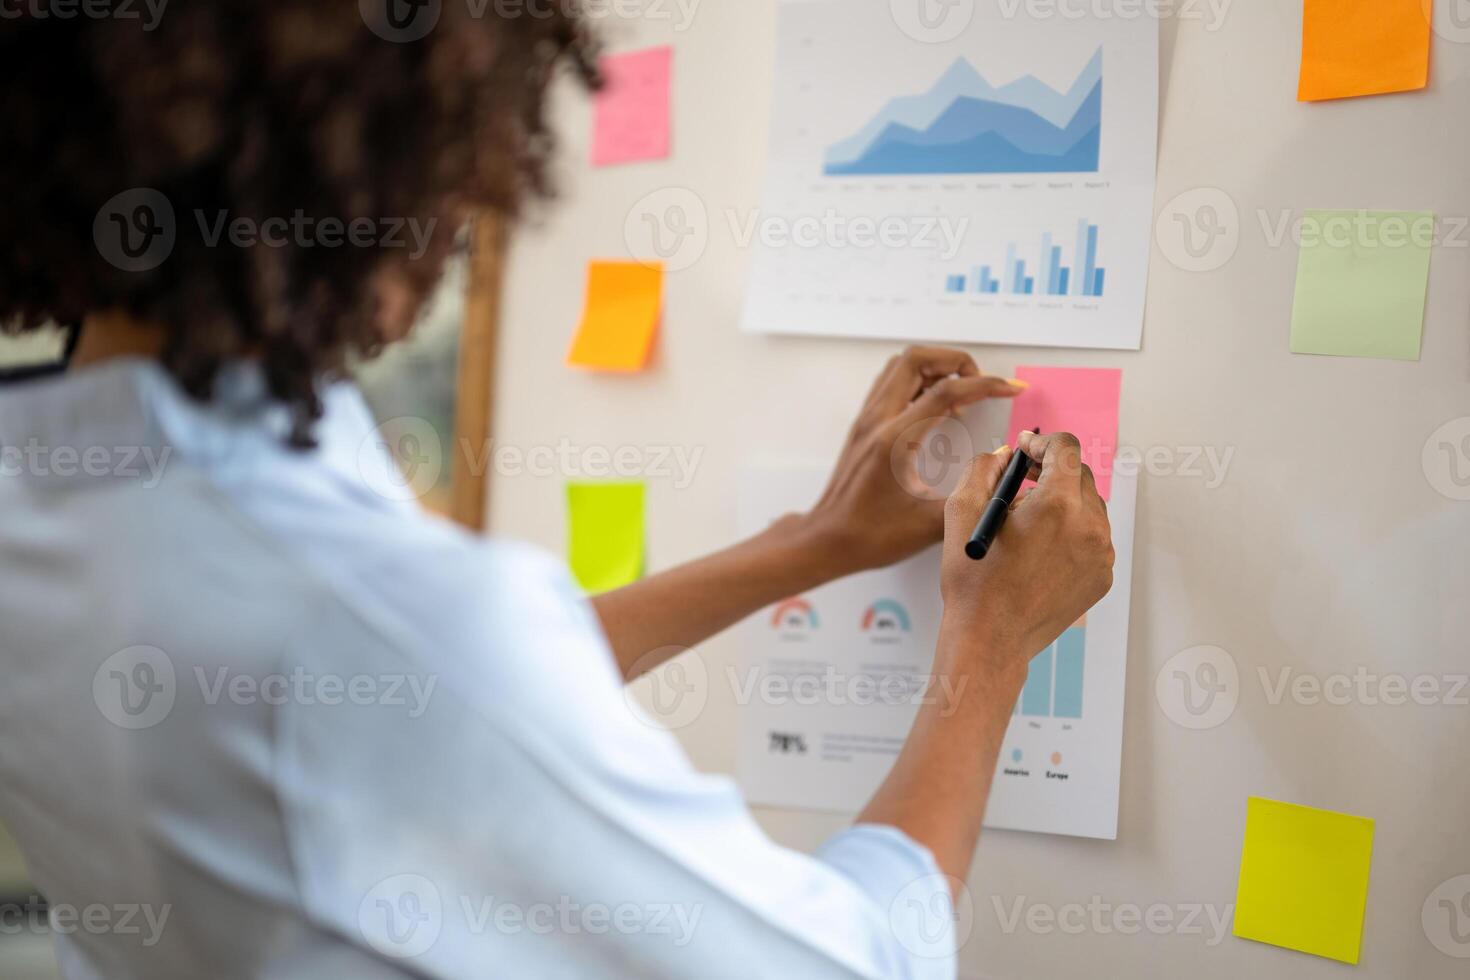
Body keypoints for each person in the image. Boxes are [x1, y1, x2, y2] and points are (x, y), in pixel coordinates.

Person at [0, 4, 1114, 978]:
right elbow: (854, 959)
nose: (470, 207)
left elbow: (416, 713)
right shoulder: (373, 631)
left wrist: (806, 543)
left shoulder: (40, 498)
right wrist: (990, 645)